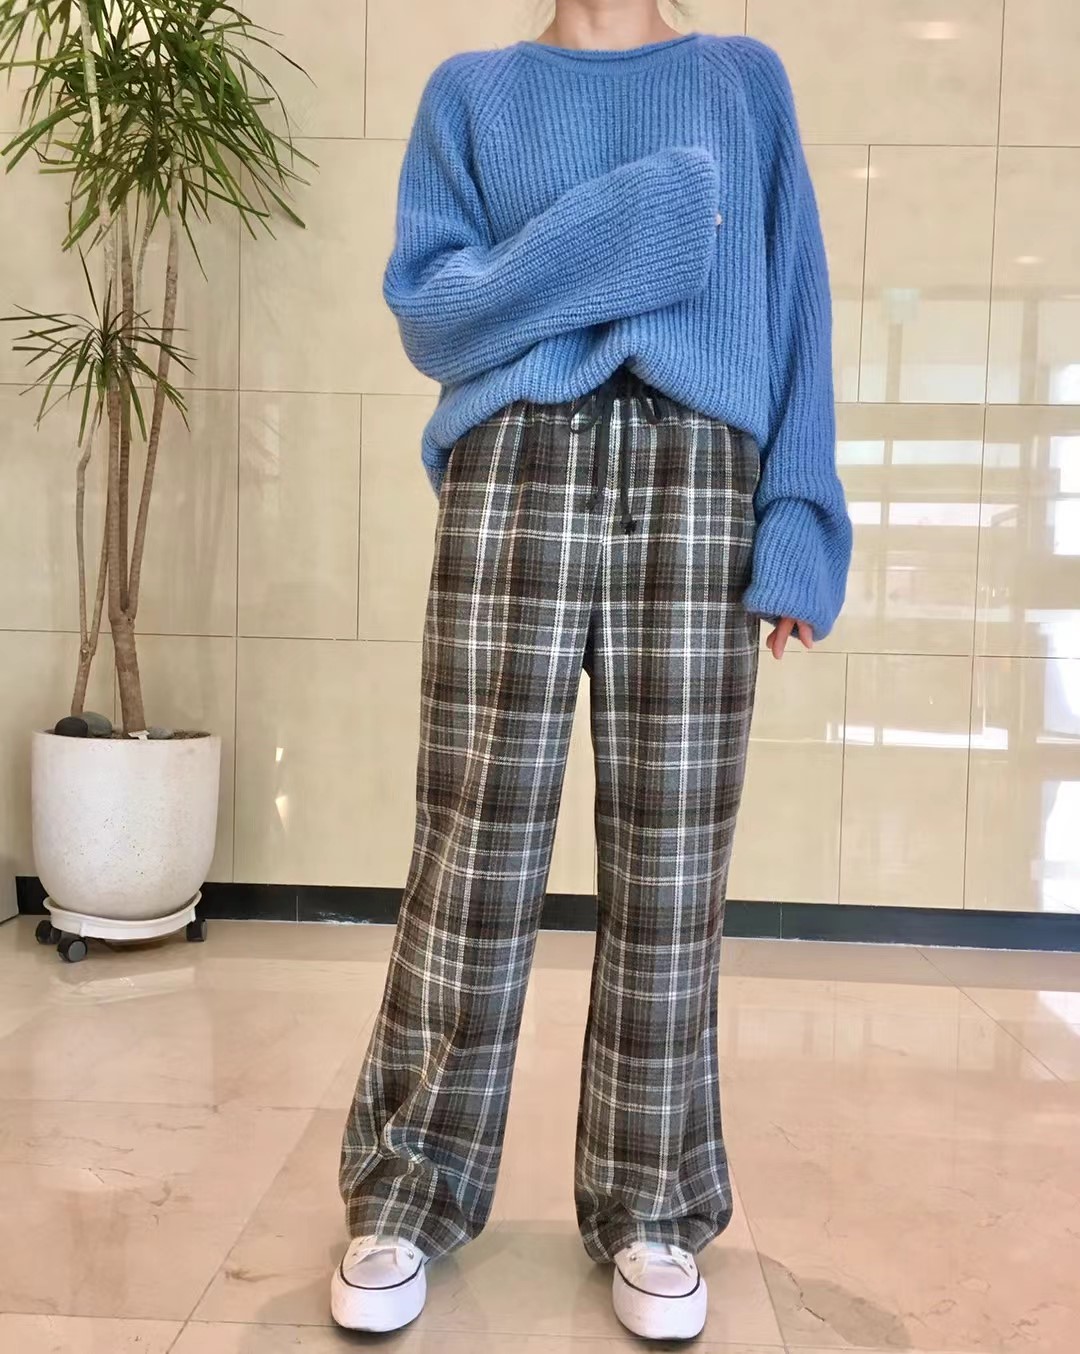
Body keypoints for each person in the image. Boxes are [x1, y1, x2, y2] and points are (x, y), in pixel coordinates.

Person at [332, 0, 851, 1340]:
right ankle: (409, 1187)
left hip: (701, 474)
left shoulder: (743, 83)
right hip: (515, 464)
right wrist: (636, 224)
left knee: (675, 865)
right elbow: (432, 314)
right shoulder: (472, 93)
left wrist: (800, 522)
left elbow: (797, 303)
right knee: (472, 848)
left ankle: (653, 1204)